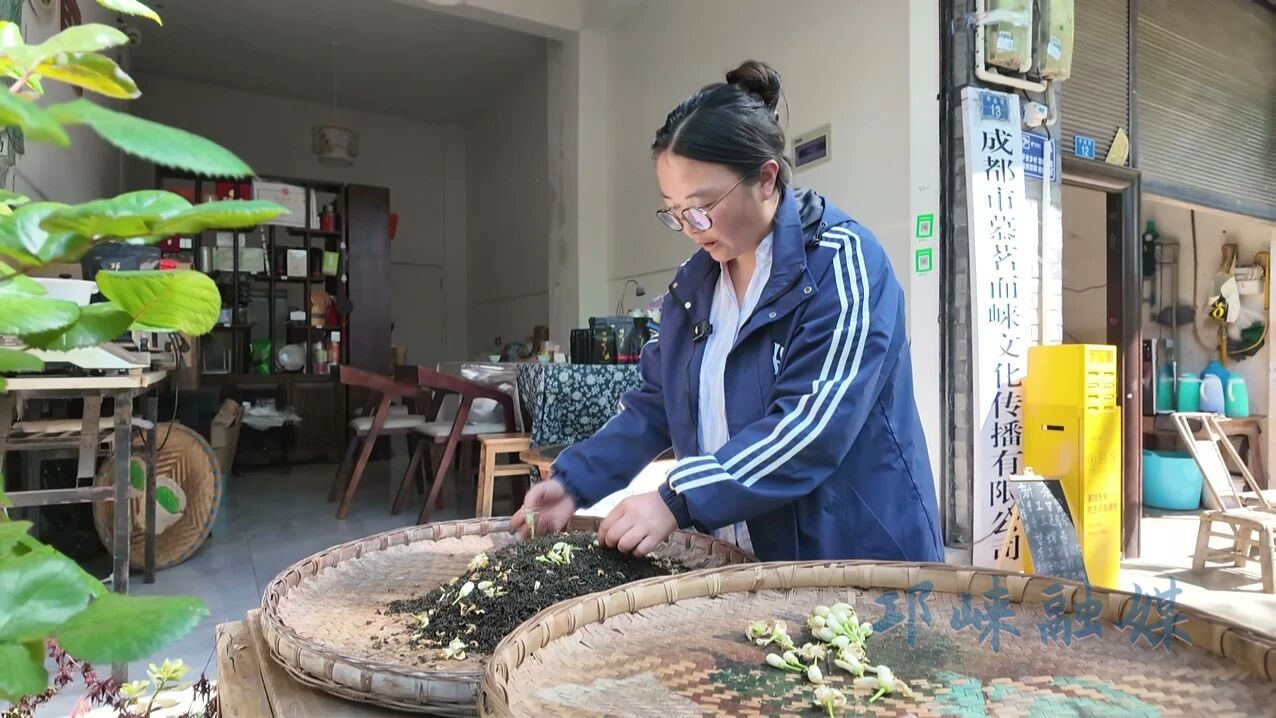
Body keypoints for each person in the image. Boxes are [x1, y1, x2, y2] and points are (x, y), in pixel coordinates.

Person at [510, 60, 943, 563]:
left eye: (702, 206)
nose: (690, 227)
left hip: (856, 560)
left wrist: (677, 499)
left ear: (766, 178)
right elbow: (658, 404)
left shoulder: (842, 265)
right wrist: (573, 481)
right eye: (674, 211)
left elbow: (808, 430)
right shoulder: (694, 287)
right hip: (746, 561)